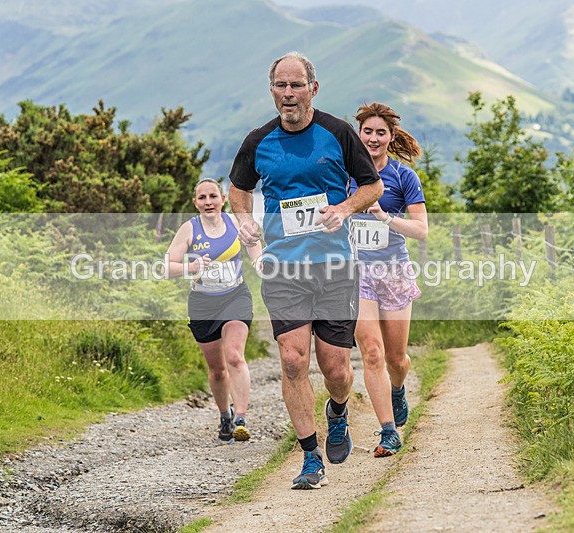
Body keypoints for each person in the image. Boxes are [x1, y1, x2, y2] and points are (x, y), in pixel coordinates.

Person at [228, 52, 383, 489]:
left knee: (335, 368)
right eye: (281, 85)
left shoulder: (337, 133)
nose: (288, 94)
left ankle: (337, 411)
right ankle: (310, 457)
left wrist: (345, 208)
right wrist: (244, 220)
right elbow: (238, 190)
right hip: (283, 267)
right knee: (293, 360)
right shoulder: (258, 141)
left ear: (313, 89)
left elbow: (374, 185)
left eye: (297, 85)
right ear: (272, 90)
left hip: (334, 265)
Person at [350, 102, 428, 457]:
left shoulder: (403, 177)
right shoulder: (343, 175)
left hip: (394, 270)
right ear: (359, 134)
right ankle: (387, 431)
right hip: (356, 273)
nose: (374, 138)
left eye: (381, 132)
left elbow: (421, 230)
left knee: (397, 359)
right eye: (368, 131)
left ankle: (398, 389)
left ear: (391, 137)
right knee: (372, 352)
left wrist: (385, 217)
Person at [164, 178, 262, 445]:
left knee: (234, 356)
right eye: (203, 198)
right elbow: (167, 266)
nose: (208, 202)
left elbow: (254, 245)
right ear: (195, 203)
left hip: (235, 297)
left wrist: (259, 262)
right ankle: (225, 415)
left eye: (213, 197)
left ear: (222, 199)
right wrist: (192, 266)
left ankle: (241, 418)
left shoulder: (234, 223)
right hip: (203, 303)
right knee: (217, 370)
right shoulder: (189, 229)